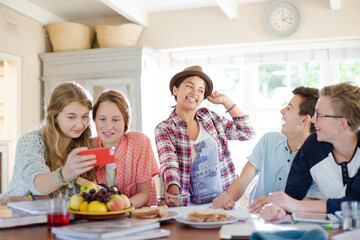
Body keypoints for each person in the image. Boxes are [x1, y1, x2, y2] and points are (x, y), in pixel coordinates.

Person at [155, 65, 255, 207]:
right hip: (190, 207)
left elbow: (247, 132)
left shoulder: (209, 117)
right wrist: (174, 195)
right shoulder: (165, 128)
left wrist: (226, 101)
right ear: (175, 89)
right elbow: (169, 164)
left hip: (225, 202)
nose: (195, 93)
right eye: (189, 86)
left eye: (200, 90)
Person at [260, 82, 360, 221]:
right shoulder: (312, 145)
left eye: (319, 115)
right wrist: (280, 209)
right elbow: (294, 193)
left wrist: (297, 206)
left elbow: (355, 203)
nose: (313, 120)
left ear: (341, 124)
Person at [213, 87, 319, 211]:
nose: (282, 110)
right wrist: (228, 198)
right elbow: (243, 180)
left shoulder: (319, 156)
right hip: (254, 218)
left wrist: (277, 202)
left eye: (289, 108)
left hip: (290, 221)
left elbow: (315, 200)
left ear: (305, 120)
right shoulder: (269, 140)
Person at [0, 82, 97, 204]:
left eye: (84, 116)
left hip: (59, 217)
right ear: (55, 116)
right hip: (17, 215)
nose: (80, 124)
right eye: (71, 117)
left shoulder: (85, 143)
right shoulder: (30, 141)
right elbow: (38, 186)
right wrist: (64, 174)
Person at [92, 90, 159, 208]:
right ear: (94, 120)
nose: (108, 127)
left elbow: (143, 194)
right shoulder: (89, 147)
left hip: (140, 217)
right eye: (102, 119)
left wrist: (119, 209)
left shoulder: (139, 142)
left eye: (115, 120)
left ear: (125, 121)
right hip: (103, 218)